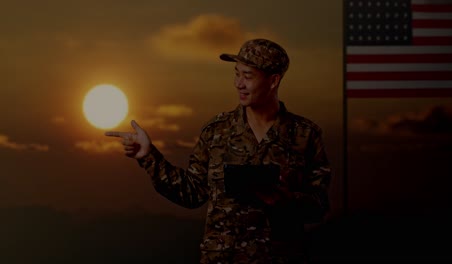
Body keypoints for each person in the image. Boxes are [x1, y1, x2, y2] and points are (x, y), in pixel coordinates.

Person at [105, 38, 332, 263]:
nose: (238, 83)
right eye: (236, 73)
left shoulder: (306, 135)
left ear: (273, 81)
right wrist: (148, 156)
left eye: (248, 76)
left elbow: (319, 207)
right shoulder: (216, 132)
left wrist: (287, 201)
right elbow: (192, 193)